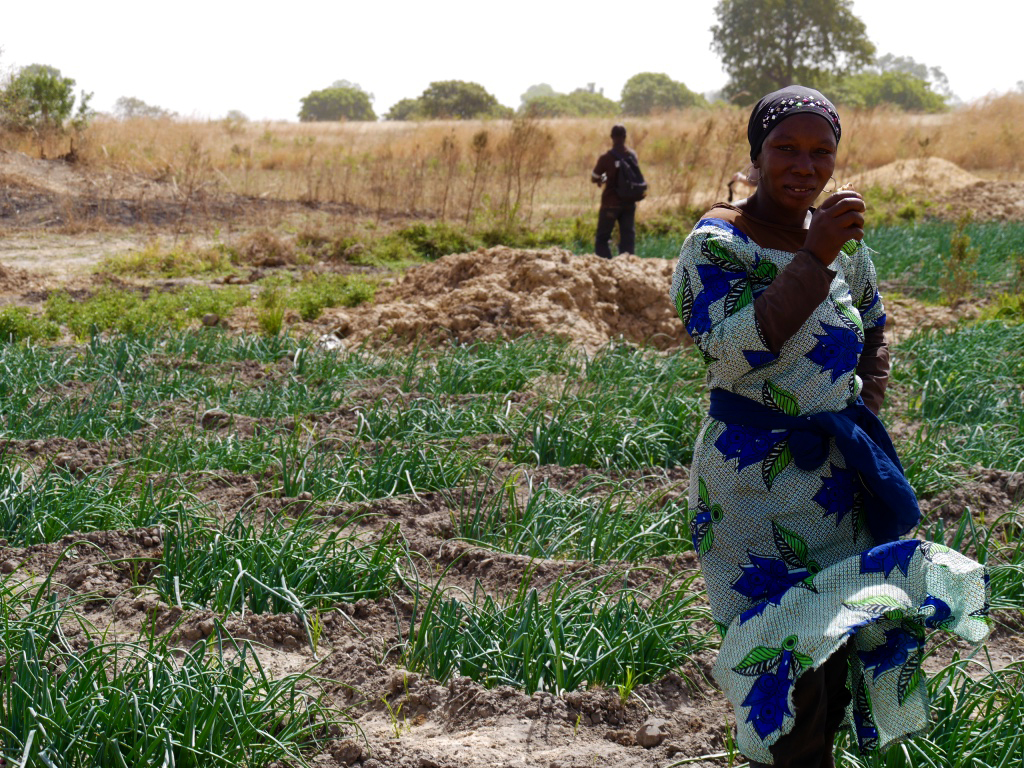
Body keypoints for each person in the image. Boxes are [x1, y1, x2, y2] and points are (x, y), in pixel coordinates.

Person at [669, 86, 990, 768]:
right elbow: (731, 350)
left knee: (841, 642)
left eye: (822, 152)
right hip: (752, 488)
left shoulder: (842, 238)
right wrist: (812, 260)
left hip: (837, 483)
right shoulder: (717, 245)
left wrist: (864, 405)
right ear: (756, 154)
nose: (804, 166)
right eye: (786, 148)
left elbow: (873, 323)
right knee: (783, 659)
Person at [591, 124, 640, 258]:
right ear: (625, 137)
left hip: (610, 203)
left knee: (602, 238)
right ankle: (626, 266)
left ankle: (607, 268)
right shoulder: (632, 156)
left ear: (612, 137)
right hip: (629, 202)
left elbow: (594, 178)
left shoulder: (606, 158)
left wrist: (604, 177)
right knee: (627, 237)